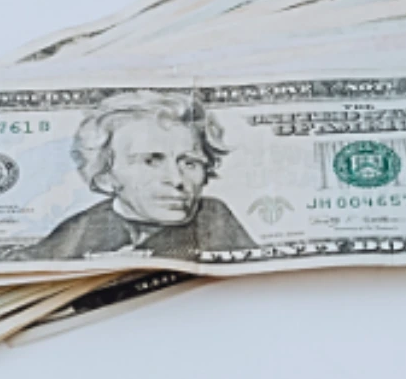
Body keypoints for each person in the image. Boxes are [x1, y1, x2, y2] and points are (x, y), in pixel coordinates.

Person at [33, 91, 255, 260]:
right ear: (105, 176)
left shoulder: (216, 219)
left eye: (190, 163)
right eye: (150, 161)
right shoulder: (76, 234)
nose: (177, 180)